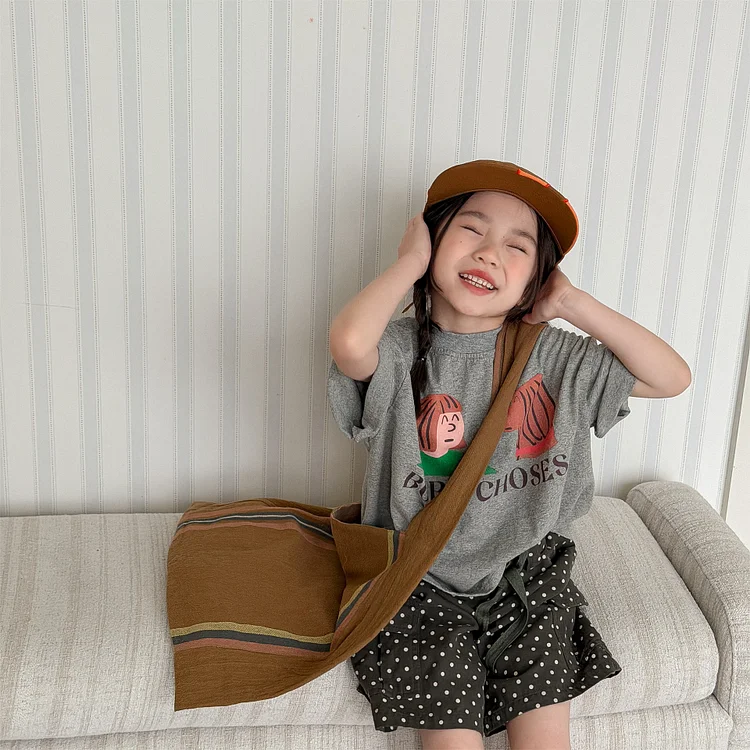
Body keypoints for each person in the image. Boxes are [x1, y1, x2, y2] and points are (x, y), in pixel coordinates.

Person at [326, 160, 691, 750]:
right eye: (471, 229)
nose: (489, 253)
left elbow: (671, 377)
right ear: (432, 241)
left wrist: (571, 303)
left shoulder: (556, 356)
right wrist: (408, 264)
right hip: (418, 580)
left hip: (529, 576)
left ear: (536, 280)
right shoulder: (396, 351)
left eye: (517, 247)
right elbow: (348, 344)